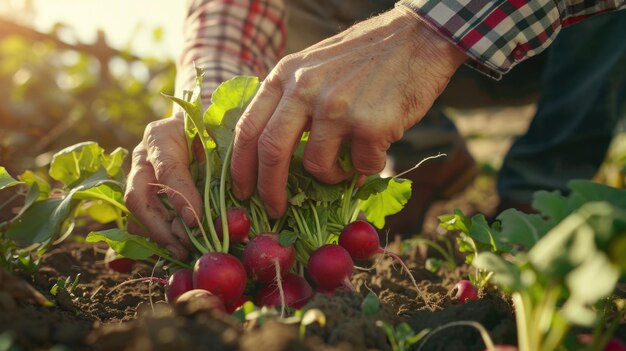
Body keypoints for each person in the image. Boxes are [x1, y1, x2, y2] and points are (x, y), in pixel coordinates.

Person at [124, 0, 625, 259]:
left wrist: (426, 33)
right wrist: (211, 118)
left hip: (564, 27)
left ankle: (540, 191)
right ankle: (430, 153)